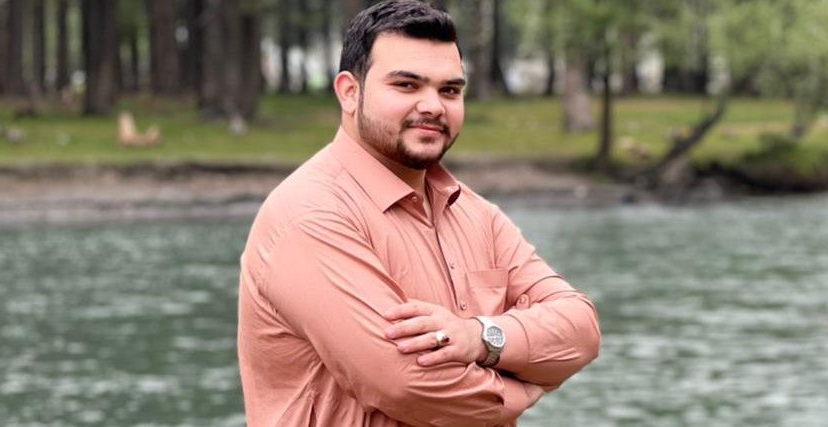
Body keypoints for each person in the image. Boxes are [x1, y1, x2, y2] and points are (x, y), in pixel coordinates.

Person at [236, 1, 602, 425]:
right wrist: (524, 389)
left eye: (450, 90)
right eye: (407, 85)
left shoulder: (475, 213)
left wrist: (480, 336)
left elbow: (581, 330)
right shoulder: (310, 214)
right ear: (349, 92)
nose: (433, 106)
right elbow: (405, 384)